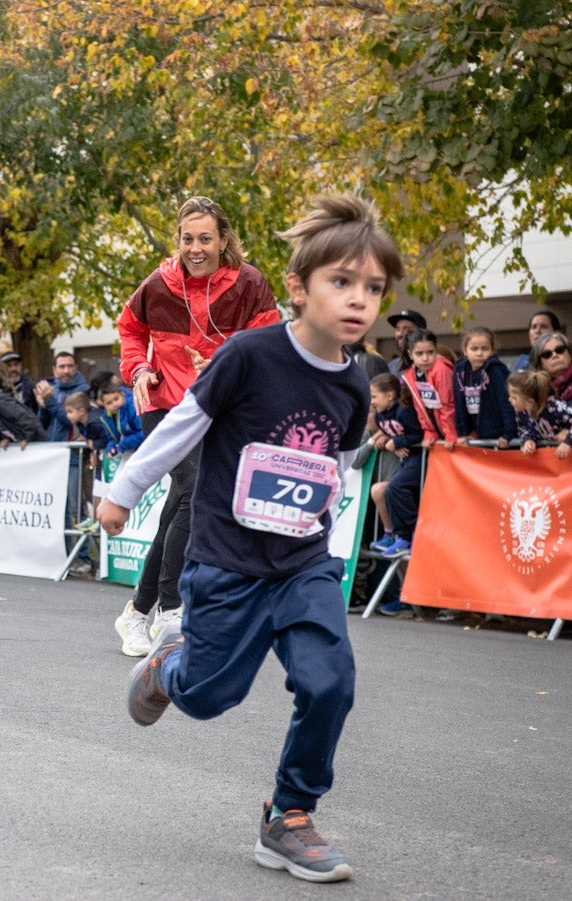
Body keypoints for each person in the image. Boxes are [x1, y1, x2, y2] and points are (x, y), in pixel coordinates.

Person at [98, 194, 404, 884]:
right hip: (228, 562)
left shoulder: (355, 384)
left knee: (331, 682)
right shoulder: (247, 354)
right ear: (297, 287)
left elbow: (339, 468)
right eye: (342, 282)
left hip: (302, 562)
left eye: (373, 288)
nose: (359, 300)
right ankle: (165, 668)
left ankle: (290, 814)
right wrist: (122, 490)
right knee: (207, 697)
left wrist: (322, 529)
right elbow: (182, 426)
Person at [113, 196, 280, 657]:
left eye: (205, 238)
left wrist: (228, 363)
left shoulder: (249, 284)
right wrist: (138, 371)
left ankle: (135, 613)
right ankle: (172, 608)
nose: (196, 248)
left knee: (180, 506)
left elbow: (268, 341)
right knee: (194, 484)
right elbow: (130, 331)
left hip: (215, 407)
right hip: (165, 406)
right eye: (188, 239)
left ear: (223, 239)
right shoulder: (159, 284)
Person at [365, 373, 425, 559]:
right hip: (406, 459)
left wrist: (398, 442)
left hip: (419, 458)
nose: (372, 402)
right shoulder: (381, 415)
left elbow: (420, 435)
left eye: (374, 397)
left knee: (396, 488)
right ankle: (399, 537)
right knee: (389, 490)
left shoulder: (404, 411)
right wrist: (390, 440)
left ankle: (414, 534)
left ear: (390, 396)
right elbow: (389, 433)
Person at [454, 327, 516, 448]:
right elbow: (459, 404)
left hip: (498, 437)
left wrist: (509, 434)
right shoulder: (459, 371)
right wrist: (462, 433)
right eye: (474, 349)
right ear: (465, 350)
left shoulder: (496, 370)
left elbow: (506, 403)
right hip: (475, 437)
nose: (479, 353)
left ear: (492, 350)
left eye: (485, 348)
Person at [400, 329, 456, 448]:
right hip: (439, 432)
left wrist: (450, 433)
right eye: (419, 354)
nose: (425, 358)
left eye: (430, 352)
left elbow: (447, 404)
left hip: (453, 433)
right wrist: (429, 432)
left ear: (436, 350)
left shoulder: (441, 369)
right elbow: (420, 407)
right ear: (410, 354)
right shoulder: (412, 374)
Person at [0, 370, 47, 450]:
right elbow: (4, 424)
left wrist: (27, 438)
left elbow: (23, 417)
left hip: (37, 442)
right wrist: (6, 438)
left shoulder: (1, 402)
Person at [508, 370, 572, 459]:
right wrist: (527, 440)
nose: (510, 400)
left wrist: (568, 442)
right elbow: (523, 428)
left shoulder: (554, 408)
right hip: (552, 456)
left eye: (514, 397)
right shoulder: (521, 412)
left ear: (530, 401)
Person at [529, 331, 572, 403]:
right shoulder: (538, 393)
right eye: (547, 354)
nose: (555, 355)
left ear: (570, 353)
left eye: (559, 350)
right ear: (539, 363)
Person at [385, 309, 427, 375]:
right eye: (398, 329)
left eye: (406, 329)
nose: (400, 334)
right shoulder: (392, 366)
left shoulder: (432, 364)